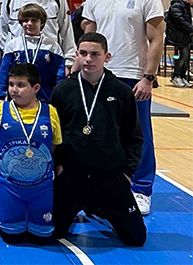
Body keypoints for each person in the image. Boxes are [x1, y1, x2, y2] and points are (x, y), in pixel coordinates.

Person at [81, 0, 165, 216]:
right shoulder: (95, 0)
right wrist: (79, 70)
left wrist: (148, 77)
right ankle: (100, 187)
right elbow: (88, 40)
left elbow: (156, 39)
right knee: (100, 134)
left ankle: (141, 189)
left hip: (133, 77)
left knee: (140, 136)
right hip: (99, 76)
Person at [51, 33, 146, 246]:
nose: (88, 59)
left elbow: (134, 136)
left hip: (110, 177)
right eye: (83, 53)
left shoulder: (121, 91)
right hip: (72, 176)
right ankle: (82, 206)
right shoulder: (63, 90)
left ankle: (99, 208)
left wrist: (127, 173)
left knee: (136, 238)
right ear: (76, 55)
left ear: (107, 57)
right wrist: (58, 166)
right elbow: (54, 134)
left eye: (95, 54)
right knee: (50, 233)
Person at [0, 63, 61, 244]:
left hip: (41, 187)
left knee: (41, 238)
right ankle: (3, 207)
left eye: (21, 85)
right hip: (10, 186)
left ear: (36, 88)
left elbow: (54, 145)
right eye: (11, 84)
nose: (14, 90)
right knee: (11, 237)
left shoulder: (50, 112)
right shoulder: (1, 110)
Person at [0, 4, 65, 103]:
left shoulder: (52, 46)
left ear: (42, 22)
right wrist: (1, 95)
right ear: (21, 23)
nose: (29, 23)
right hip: (17, 98)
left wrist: (58, 96)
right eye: (25, 20)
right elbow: (4, 72)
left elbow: (59, 74)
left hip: (45, 98)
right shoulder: (13, 45)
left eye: (34, 20)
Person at [165, 0, 193, 87]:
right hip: (177, 35)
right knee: (184, 55)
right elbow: (179, 19)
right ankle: (176, 76)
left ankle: (182, 76)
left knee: (186, 56)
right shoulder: (177, 5)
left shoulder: (185, 5)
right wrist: (190, 28)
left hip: (185, 35)